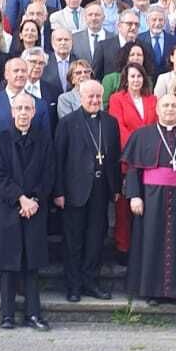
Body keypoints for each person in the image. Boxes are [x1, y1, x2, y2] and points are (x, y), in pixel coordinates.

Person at [121, 92, 176, 305]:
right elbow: (133, 169)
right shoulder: (142, 135)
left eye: (174, 106)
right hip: (150, 198)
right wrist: (134, 196)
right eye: (166, 105)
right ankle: (152, 291)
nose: (170, 109)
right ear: (158, 110)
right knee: (151, 241)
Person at [0, 92, 53, 330]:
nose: (23, 113)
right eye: (19, 109)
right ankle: (7, 315)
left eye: (28, 109)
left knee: (31, 264)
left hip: (34, 209)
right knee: (8, 264)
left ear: (34, 112)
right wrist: (20, 198)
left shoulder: (44, 139)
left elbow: (49, 173)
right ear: (12, 112)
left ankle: (33, 314)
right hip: (8, 209)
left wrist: (33, 199)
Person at [54, 80, 122, 302]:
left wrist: (116, 188)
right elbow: (58, 159)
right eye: (90, 96)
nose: (94, 100)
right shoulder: (67, 123)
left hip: (101, 189)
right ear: (81, 98)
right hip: (74, 190)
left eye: (97, 96)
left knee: (95, 239)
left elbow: (114, 158)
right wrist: (58, 192)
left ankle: (91, 281)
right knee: (73, 241)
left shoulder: (110, 122)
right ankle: (74, 286)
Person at [107, 63, 157, 259]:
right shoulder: (117, 99)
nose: (136, 80)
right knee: (124, 208)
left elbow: (156, 125)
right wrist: (139, 148)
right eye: (132, 76)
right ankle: (123, 247)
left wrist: (148, 150)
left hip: (150, 161)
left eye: (139, 76)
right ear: (126, 79)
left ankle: (144, 249)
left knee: (147, 206)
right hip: (127, 160)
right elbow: (118, 127)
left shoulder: (152, 99)